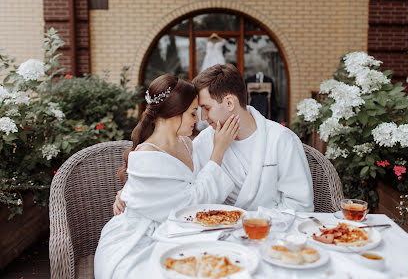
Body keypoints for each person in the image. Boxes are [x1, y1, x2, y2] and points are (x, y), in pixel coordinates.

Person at [114, 64, 314, 214]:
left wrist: (255, 223)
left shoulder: (281, 140)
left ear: (229, 103)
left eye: (206, 108)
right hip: (218, 236)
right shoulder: (204, 142)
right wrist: (129, 193)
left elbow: (301, 206)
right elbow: (173, 183)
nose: (201, 118)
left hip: (271, 236)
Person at [94, 74, 239, 278]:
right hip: (141, 238)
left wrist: (129, 192)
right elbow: (188, 203)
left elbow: (184, 188)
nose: (198, 121)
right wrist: (218, 152)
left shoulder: (187, 143)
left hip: (180, 227)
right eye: (192, 114)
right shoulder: (147, 154)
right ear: (173, 113)